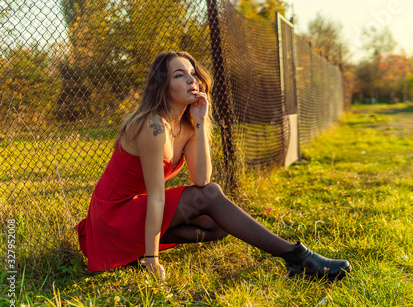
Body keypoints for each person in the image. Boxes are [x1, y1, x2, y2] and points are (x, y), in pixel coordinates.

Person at [76, 51, 352, 283]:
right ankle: (297, 257)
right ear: (163, 86)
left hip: (135, 210)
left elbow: (201, 178)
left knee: (217, 224)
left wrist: (199, 121)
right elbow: (161, 196)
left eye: (192, 73)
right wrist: (153, 259)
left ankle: (131, 251)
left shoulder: (185, 125)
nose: (191, 80)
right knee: (210, 197)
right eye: (179, 75)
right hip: (112, 216)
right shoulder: (152, 125)